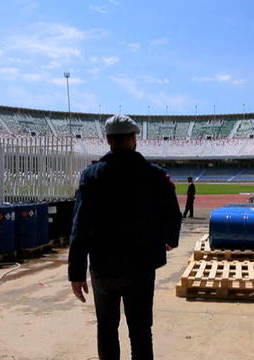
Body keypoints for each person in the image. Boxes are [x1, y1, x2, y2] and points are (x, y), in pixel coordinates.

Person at [68, 114, 182, 360]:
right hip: (141, 266)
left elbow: (80, 227)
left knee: (107, 329)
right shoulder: (154, 175)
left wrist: (76, 273)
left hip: (103, 265)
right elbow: (172, 214)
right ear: (134, 139)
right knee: (141, 331)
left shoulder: (92, 176)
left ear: (108, 139)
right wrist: (169, 240)